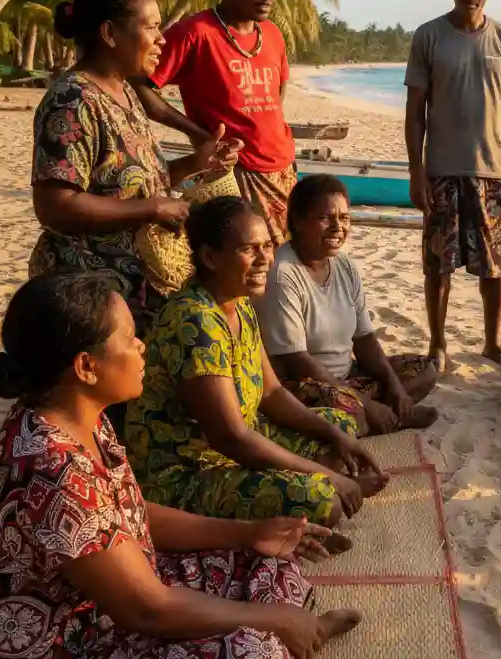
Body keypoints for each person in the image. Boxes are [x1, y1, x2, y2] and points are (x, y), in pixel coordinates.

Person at [0, 271, 362, 659]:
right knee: (257, 656)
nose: (142, 346)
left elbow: (133, 512)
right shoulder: (50, 468)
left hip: (111, 606)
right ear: (86, 365)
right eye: (129, 338)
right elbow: (147, 608)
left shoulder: (79, 418)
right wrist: (274, 622)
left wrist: (250, 534)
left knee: (269, 564)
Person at [125, 196, 385, 535]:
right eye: (250, 249)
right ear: (210, 257)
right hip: (187, 470)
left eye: (268, 246)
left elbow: (272, 391)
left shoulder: (239, 303)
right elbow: (231, 437)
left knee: (340, 424)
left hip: (240, 438)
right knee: (322, 500)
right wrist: (325, 477)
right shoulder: (195, 323)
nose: (265, 259)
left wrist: (332, 434)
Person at [30, 0, 238, 335]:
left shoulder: (124, 92)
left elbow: (129, 183)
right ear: (109, 34)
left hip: (135, 282)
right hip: (91, 295)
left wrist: (197, 163)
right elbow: (53, 205)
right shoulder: (73, 101)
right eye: (152, 28)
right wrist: (153, 209)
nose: (161, 40)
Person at [404, 0, 501, 370]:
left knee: (495, 266)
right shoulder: (429, 36)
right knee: (438, 265)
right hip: (442, 169)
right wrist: (416, 171)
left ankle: (492, 342)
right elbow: (415, 111)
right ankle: (437, 343)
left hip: (494, 172)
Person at [133, 0, 297, 245]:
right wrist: (196, 133)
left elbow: (278, 90)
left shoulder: (273, 34)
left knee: (285, 266)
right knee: (248, 269)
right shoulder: (195, 33)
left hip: (285, 168)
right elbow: (140, 84)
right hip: (236, 173)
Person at [258, 175, 439, 434]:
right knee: (333, 409)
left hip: (347, 378)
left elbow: (364, 338)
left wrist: (396, 388)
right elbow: (295, 360)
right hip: (302, 385)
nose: (337, 227)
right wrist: (364, 403)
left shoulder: (344, 265)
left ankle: (380, 415)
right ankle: (380, 417)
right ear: (297, 221)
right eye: (324, 218)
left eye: (344, 218)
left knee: (425, 370)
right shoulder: (282, 273)